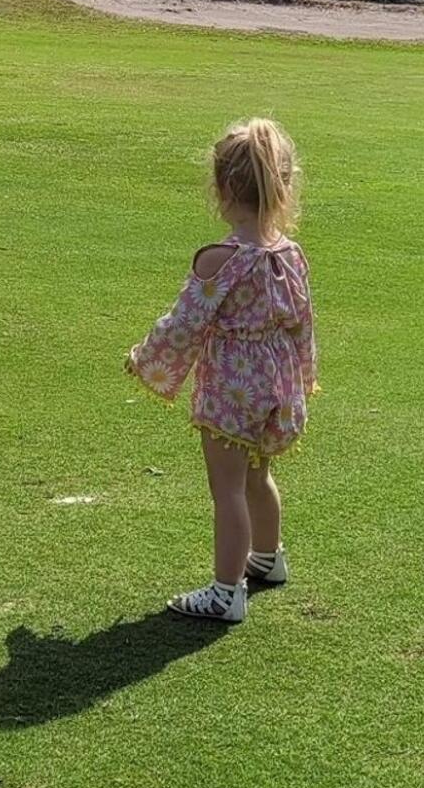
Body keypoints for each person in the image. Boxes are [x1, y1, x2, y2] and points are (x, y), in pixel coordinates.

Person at [127, 119, 317, 624]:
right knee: (259, 476)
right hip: (274, 386)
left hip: (231, 391)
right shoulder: (290, 255)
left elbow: (182, 324)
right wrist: (301, 382)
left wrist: (145, 359)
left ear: (225, 187)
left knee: (227, 488)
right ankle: (268, 558)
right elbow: (303, 325)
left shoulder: (221, 259)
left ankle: (225, 591)